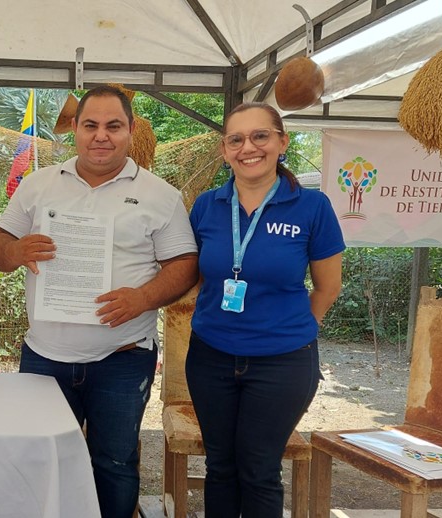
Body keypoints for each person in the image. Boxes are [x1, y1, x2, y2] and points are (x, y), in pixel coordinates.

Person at [0, 85, 198, 518]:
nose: (101, 136)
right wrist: (15, 252)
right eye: (91, 126)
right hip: (45, 357)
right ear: (75, 130)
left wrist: (143, 298)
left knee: (115, 464)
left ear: (130, 130)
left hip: (121, 359)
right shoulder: (38, 184)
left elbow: (185, 265)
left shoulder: (160, 195)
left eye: (113, 126)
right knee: (39, 461)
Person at [185, 102, 344, 517]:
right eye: (236, 139)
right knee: (220, 467)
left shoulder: (312, 207)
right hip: (211, 357)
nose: (248, 147)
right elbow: (201, 275)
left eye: (260, 136)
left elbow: (328, 288)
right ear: (224, 150)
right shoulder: (206, 206)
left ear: (281, 142)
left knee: (258, 470)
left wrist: (290, 331)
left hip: (282, 364)